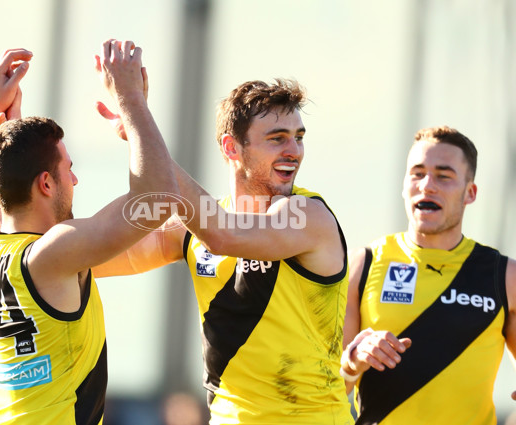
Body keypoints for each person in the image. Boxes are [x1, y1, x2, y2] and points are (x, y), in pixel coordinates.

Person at [94, 78, 354, 424]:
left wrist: (139, 122)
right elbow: (86, 258)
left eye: (299, 137)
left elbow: (223, 233)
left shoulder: (307, 214)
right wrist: (6, 158)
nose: (294, 150)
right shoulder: (195, 228)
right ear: (232, 148)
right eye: (278, 138)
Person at [0, 39, 178, 425]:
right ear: (46, 184)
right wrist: (131, 101)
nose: (75, 179)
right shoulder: (51, 255)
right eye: (69, 169)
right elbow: (158, 198)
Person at [340, 126, 516, 424]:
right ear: (403, 185)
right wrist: (353, 360)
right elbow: (326, 386)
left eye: (444, 176)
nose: (427, 185)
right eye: (417, 173)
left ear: (469, 193)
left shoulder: (505, 275)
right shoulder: (364, 264)